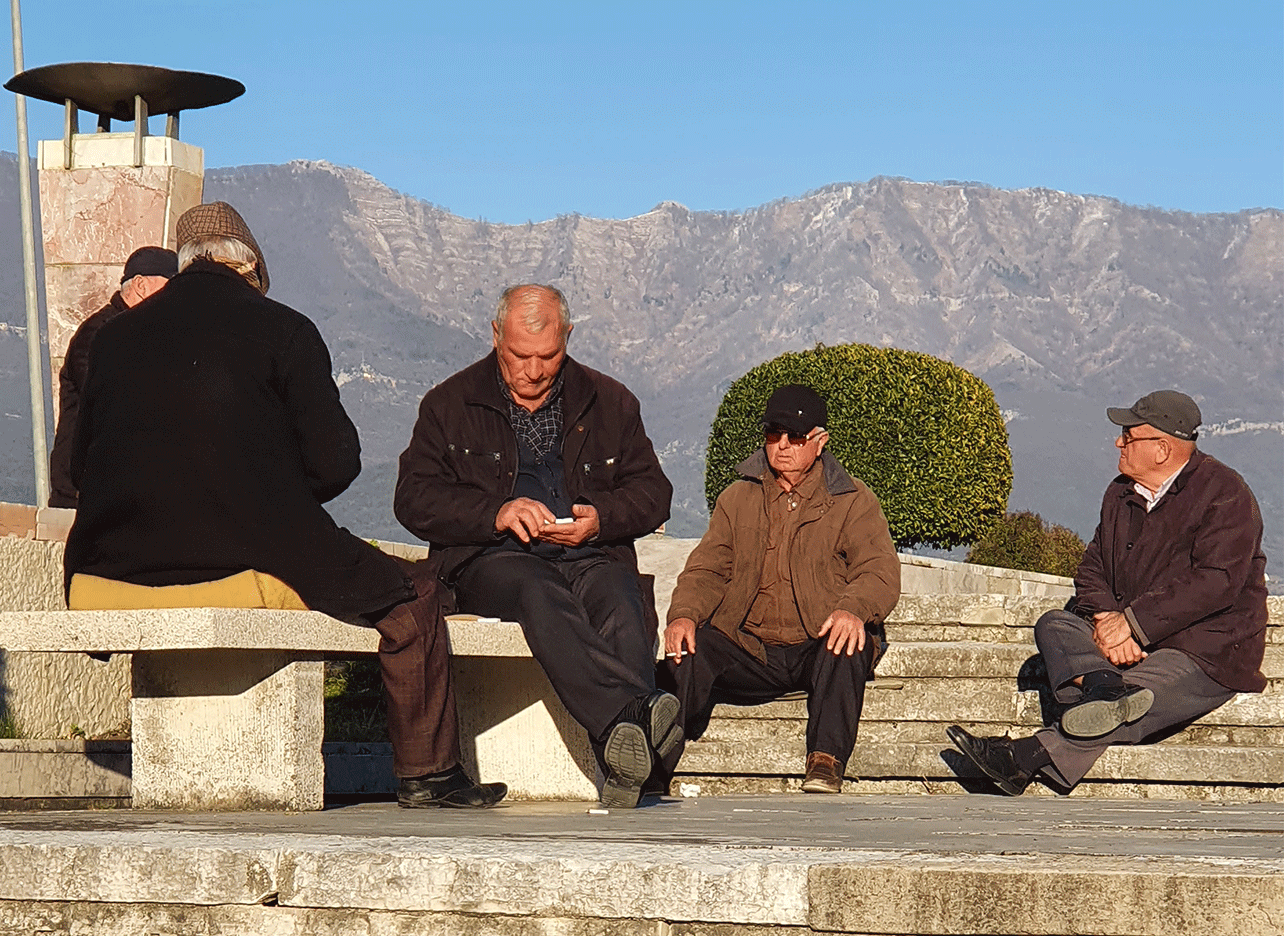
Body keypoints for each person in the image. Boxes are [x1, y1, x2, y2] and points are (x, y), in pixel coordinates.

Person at [63, 201, 505, 809]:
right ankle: (429, 773)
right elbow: (337, 464)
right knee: (417, 597)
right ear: (250, 269)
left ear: (186, 262)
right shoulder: (283, 329)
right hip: (249, 550)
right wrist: (272, 490)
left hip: (113, 562)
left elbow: (76, 467)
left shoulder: (112, 338)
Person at [394, 284, 678, 808]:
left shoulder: (612, 402)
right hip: (490, 561)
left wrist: (601, 521)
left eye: (548, 356)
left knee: (620, 594)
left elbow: (655, 494)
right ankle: (635, 715)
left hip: (589, 555)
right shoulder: (448, 403)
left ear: (567, 338)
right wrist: (495, 513)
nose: (533, 371)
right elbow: (412, 500)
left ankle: (624, 765)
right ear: (496, 335)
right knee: (536, 587)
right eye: (519, 356)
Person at [947, 390, 1269, 795]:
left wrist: (1134, 626)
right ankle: (1103, 688)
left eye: (1129, 436)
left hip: (1203, 650)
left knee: (1142, 697)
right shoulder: (1119, 493)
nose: (1119, 442)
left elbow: (1217, 580)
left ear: (1162, 449)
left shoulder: (1225, 493)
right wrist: (1105, 621)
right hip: (1119, 644)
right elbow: (1091, 569)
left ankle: (1024, 756)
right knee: (1056, 623)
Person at [662, 384, 901, 793]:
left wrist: (852, 609)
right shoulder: (737, 498)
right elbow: (707, 569)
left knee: (848, 641)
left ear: (820, 441)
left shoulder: (853, 499)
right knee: (688, 650)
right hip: (749, 645)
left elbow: (879, 570)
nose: (783, 446)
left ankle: (825, 761)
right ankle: (654, 757)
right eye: (774, 435)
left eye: (795, 437)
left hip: (816, 643)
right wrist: (684, 614)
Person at [49, 246, 177, 507]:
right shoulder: (99, 334)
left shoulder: (140, 336)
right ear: (140, 284)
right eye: (170, 287)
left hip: (115, 489)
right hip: (82, 493)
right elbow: (106, 399)